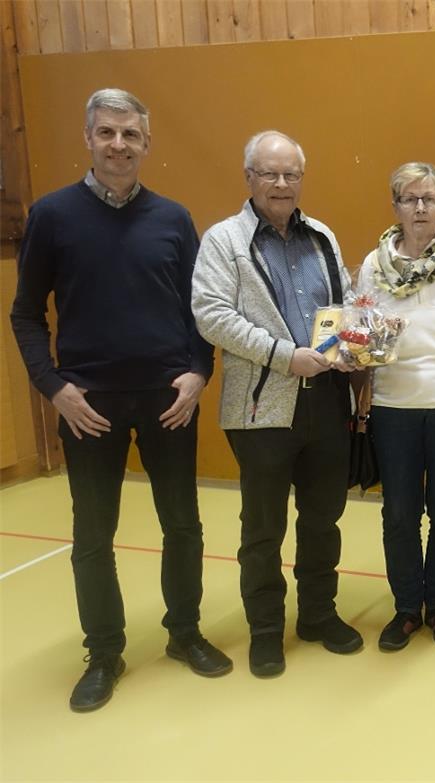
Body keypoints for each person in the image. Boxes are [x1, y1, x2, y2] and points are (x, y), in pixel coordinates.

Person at [10, 87, 231, 712]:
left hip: (170, 400)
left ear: (146, 143)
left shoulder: (173, 218)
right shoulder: (53, 216)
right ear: (88, 137)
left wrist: (198, 372)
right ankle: (104, 652)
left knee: (182, 525)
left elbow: (200, 310)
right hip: (90, 406)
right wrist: (55, 388)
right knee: (93, 534)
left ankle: (184, 634)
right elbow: (26, 314)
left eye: (130, 135)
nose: (118, 145)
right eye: (107, 133)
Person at [192, 130, 361, 678]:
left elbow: (341, 309)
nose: (282, 184)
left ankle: (317, 614)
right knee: (262, 529)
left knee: (322, 520)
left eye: (291, 174)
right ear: (249, 178)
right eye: (270, 173)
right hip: (262, 408)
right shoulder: (224, 240)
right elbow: (213, 315)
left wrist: (358, 343)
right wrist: (285, 356)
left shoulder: (322, 237)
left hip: (328, 403)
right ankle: (266, 630)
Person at [358, 163, 435, 652]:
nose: (420, 208)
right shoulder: (373, 265)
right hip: (394, 407)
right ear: (395, 207)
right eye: (410, 200)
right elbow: (361, 334)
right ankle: (407, 608)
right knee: (399, 514)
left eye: (429, 199)